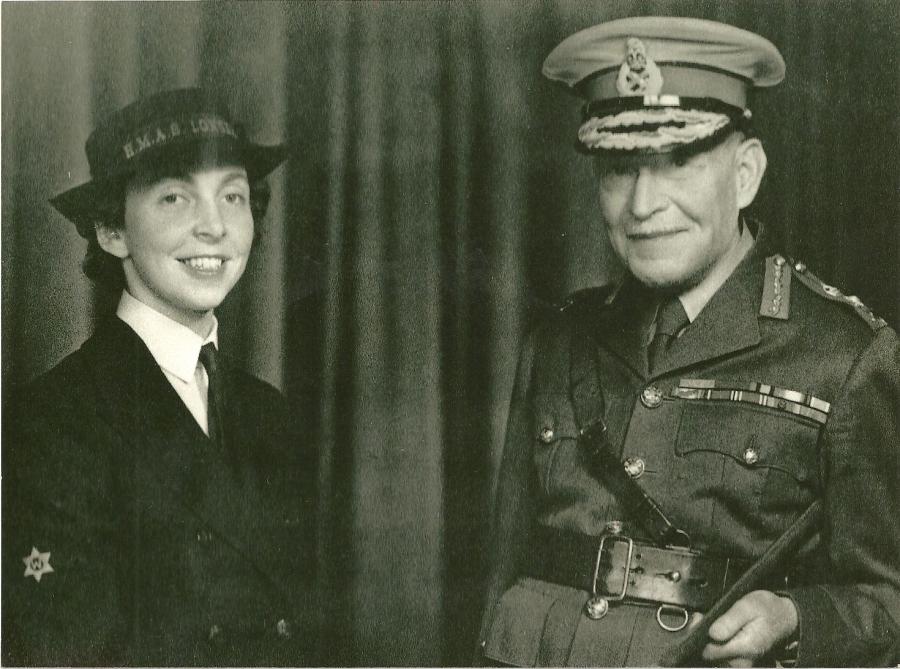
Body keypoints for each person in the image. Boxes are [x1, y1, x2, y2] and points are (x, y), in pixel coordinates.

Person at [477, 17, 900, 667]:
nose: (643, 203)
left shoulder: (843, 356)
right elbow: (504, 571)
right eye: (620, 167)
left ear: (746, 172)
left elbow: (887, 598)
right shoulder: (556, 341)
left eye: (679, 162)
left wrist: (794, 617)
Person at [2, 88, 316, 666]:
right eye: (174, 197)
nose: (215, 226)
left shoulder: (267, 411)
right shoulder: (52, 422)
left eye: (233, 195)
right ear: (110, 230)